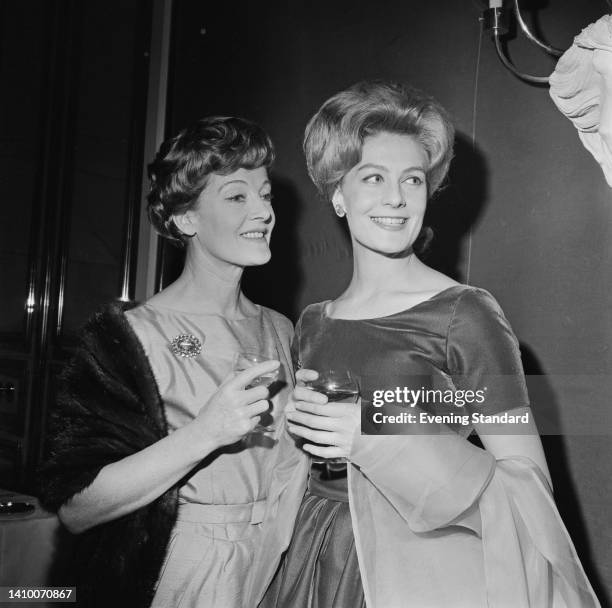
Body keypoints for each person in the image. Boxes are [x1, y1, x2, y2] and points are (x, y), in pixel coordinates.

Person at [261, 82, 600, 608]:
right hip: (314, 558)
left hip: (421, 573)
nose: (396, 197)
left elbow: (530, 490)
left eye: (412, 180)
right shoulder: (312, 323)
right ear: (337, 194)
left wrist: (374, 436)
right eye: (373, 177)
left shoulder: (465, 314)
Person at [39, 116, 308, 608]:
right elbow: (76, 508)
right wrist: (205, 432)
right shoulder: (131, 336)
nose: (263, 211)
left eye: (265, 194)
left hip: (277, 554)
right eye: (236, 196)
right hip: (183, 566)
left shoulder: (281, 328)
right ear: (186, 220)